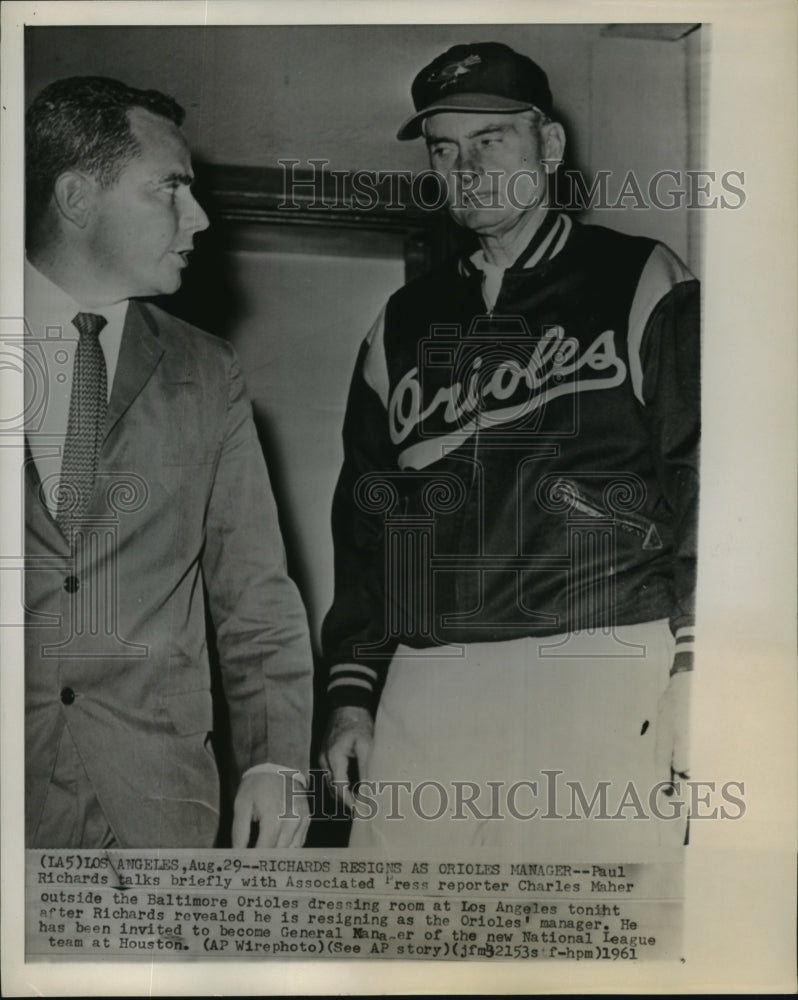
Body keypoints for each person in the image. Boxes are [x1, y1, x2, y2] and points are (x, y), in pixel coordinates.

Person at [319, 42, 697, 854]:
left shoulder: (638, 277)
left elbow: (705, 474)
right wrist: (352, 690)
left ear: (549, 146)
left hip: (599, 659)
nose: (466, 167)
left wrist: (697, 665)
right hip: (433, 681)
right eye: (444, 149)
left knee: (599, 949)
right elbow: (369, 519)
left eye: (489, 140)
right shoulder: (403, 322)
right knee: (404, 947)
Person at [24, 76, 313, 849]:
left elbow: (255, 592)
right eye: (171, 190)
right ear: (78, 197)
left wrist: (278, 760)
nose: (201, 217)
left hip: (156, 804)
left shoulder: (208, 371)